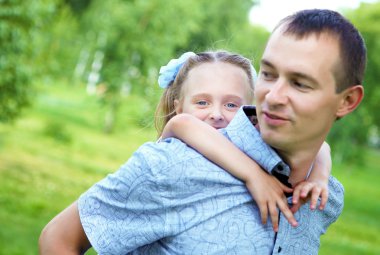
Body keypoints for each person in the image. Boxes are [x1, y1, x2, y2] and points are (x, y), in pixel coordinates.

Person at [39, 8, 366, 254]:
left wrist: (320, 175)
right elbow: (58, 240)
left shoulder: (323, 199)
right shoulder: (174, 165)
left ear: (347, 101)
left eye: (299, 83)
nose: (275, 96)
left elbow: (320, 148)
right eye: (268, 74)